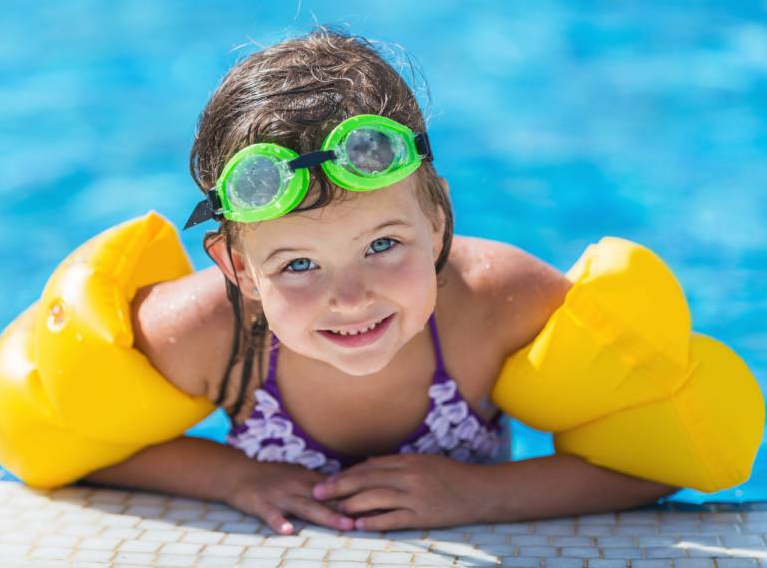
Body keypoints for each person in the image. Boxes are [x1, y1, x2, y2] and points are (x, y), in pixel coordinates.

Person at [84, 28, 677, 534]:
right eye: (298, 264)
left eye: (383, 245)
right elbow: (72, 443)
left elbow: (665, 455)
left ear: (438, 217)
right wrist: (232, 477)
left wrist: (481, 496)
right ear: (239, 269)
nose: (351, 297)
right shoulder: (207, 334)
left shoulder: (503, 304)